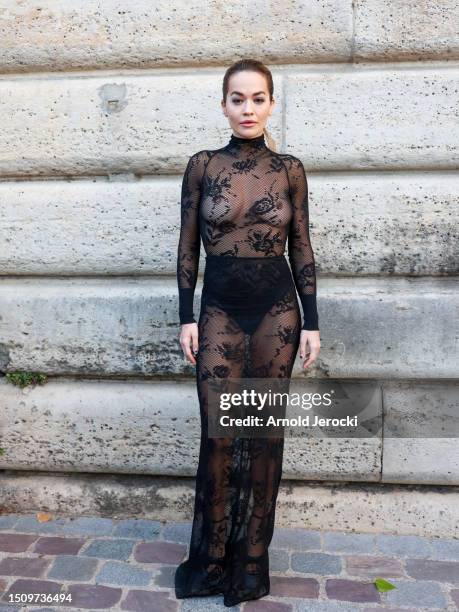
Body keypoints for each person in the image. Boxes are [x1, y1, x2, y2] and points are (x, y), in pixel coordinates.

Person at [175, 58, 321, 607]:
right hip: (219, 312)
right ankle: (212, 559)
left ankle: (251, 563)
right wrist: (186, 315)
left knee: (263, 437)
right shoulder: (203, 165)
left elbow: (302, 246)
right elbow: (187, 246)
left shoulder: (290, 169)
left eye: (258, 98)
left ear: (271, 104)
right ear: (223, 105)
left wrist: (313, 322)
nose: (248, 109)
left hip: (277, 314)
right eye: (238, 99)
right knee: (218, 437)